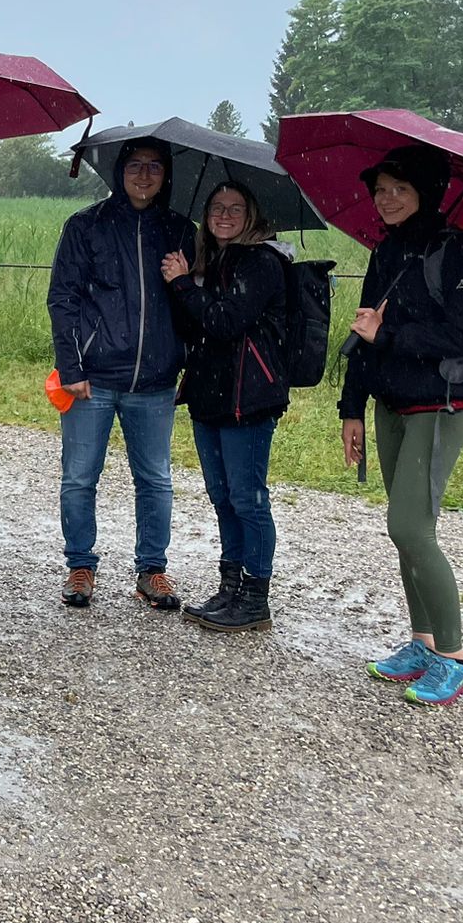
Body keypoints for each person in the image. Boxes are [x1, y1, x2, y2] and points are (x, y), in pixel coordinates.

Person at [337, 145, 463, 707]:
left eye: (399, 189)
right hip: (391, 403)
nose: (386, 199)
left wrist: (392, 337)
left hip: (440, 404)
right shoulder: (387, 251)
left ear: (426, 192)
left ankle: (454, 658)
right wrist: (351, 408)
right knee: (405, 530)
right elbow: (364, 332)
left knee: (410, 528)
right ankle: (424, 643)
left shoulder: (461, 253)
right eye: (380, 190)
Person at [46, 139, 197, 610]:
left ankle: (152, 570)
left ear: (166, 174)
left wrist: (184, 286)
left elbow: (195, 307)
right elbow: (63, 298)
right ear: (119, 171)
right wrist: (71, 366)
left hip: (156, 380)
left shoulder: (180, 230)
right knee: (79, 477)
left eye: (154, 166)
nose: (144, 175)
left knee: (155, 480)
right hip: (92, 378)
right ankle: (80, 565)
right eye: (135, 165)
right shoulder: (85, 225)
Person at [160, 181, 290, 632]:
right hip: (210, 395)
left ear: (251, 215)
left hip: (248, 398)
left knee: (248, 499)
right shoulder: (212, 261)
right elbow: (192, 324)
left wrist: (182, 284)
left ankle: (255, 598)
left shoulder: (263, 262)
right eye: (217, 207)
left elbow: (224, 321)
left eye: (236, 208)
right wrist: (183, 284)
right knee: (222, 497)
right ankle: (230, 586)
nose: (225, 215)